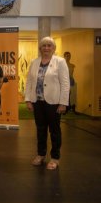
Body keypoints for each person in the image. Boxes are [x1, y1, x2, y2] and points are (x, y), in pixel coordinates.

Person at [25, 37, 69, 170]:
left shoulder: (60, 62)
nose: (46, 48)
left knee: (54, 131)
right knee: (40, 130)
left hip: (54, 102)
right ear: (40, 48)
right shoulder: (34, 62)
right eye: (44, 45)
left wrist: (63, 103)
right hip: (37, 102)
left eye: (49, 45)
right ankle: (41, 154)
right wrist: (28, 99)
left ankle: (55, 158)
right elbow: (29, 82)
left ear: (53, 48)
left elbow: (65, 84)